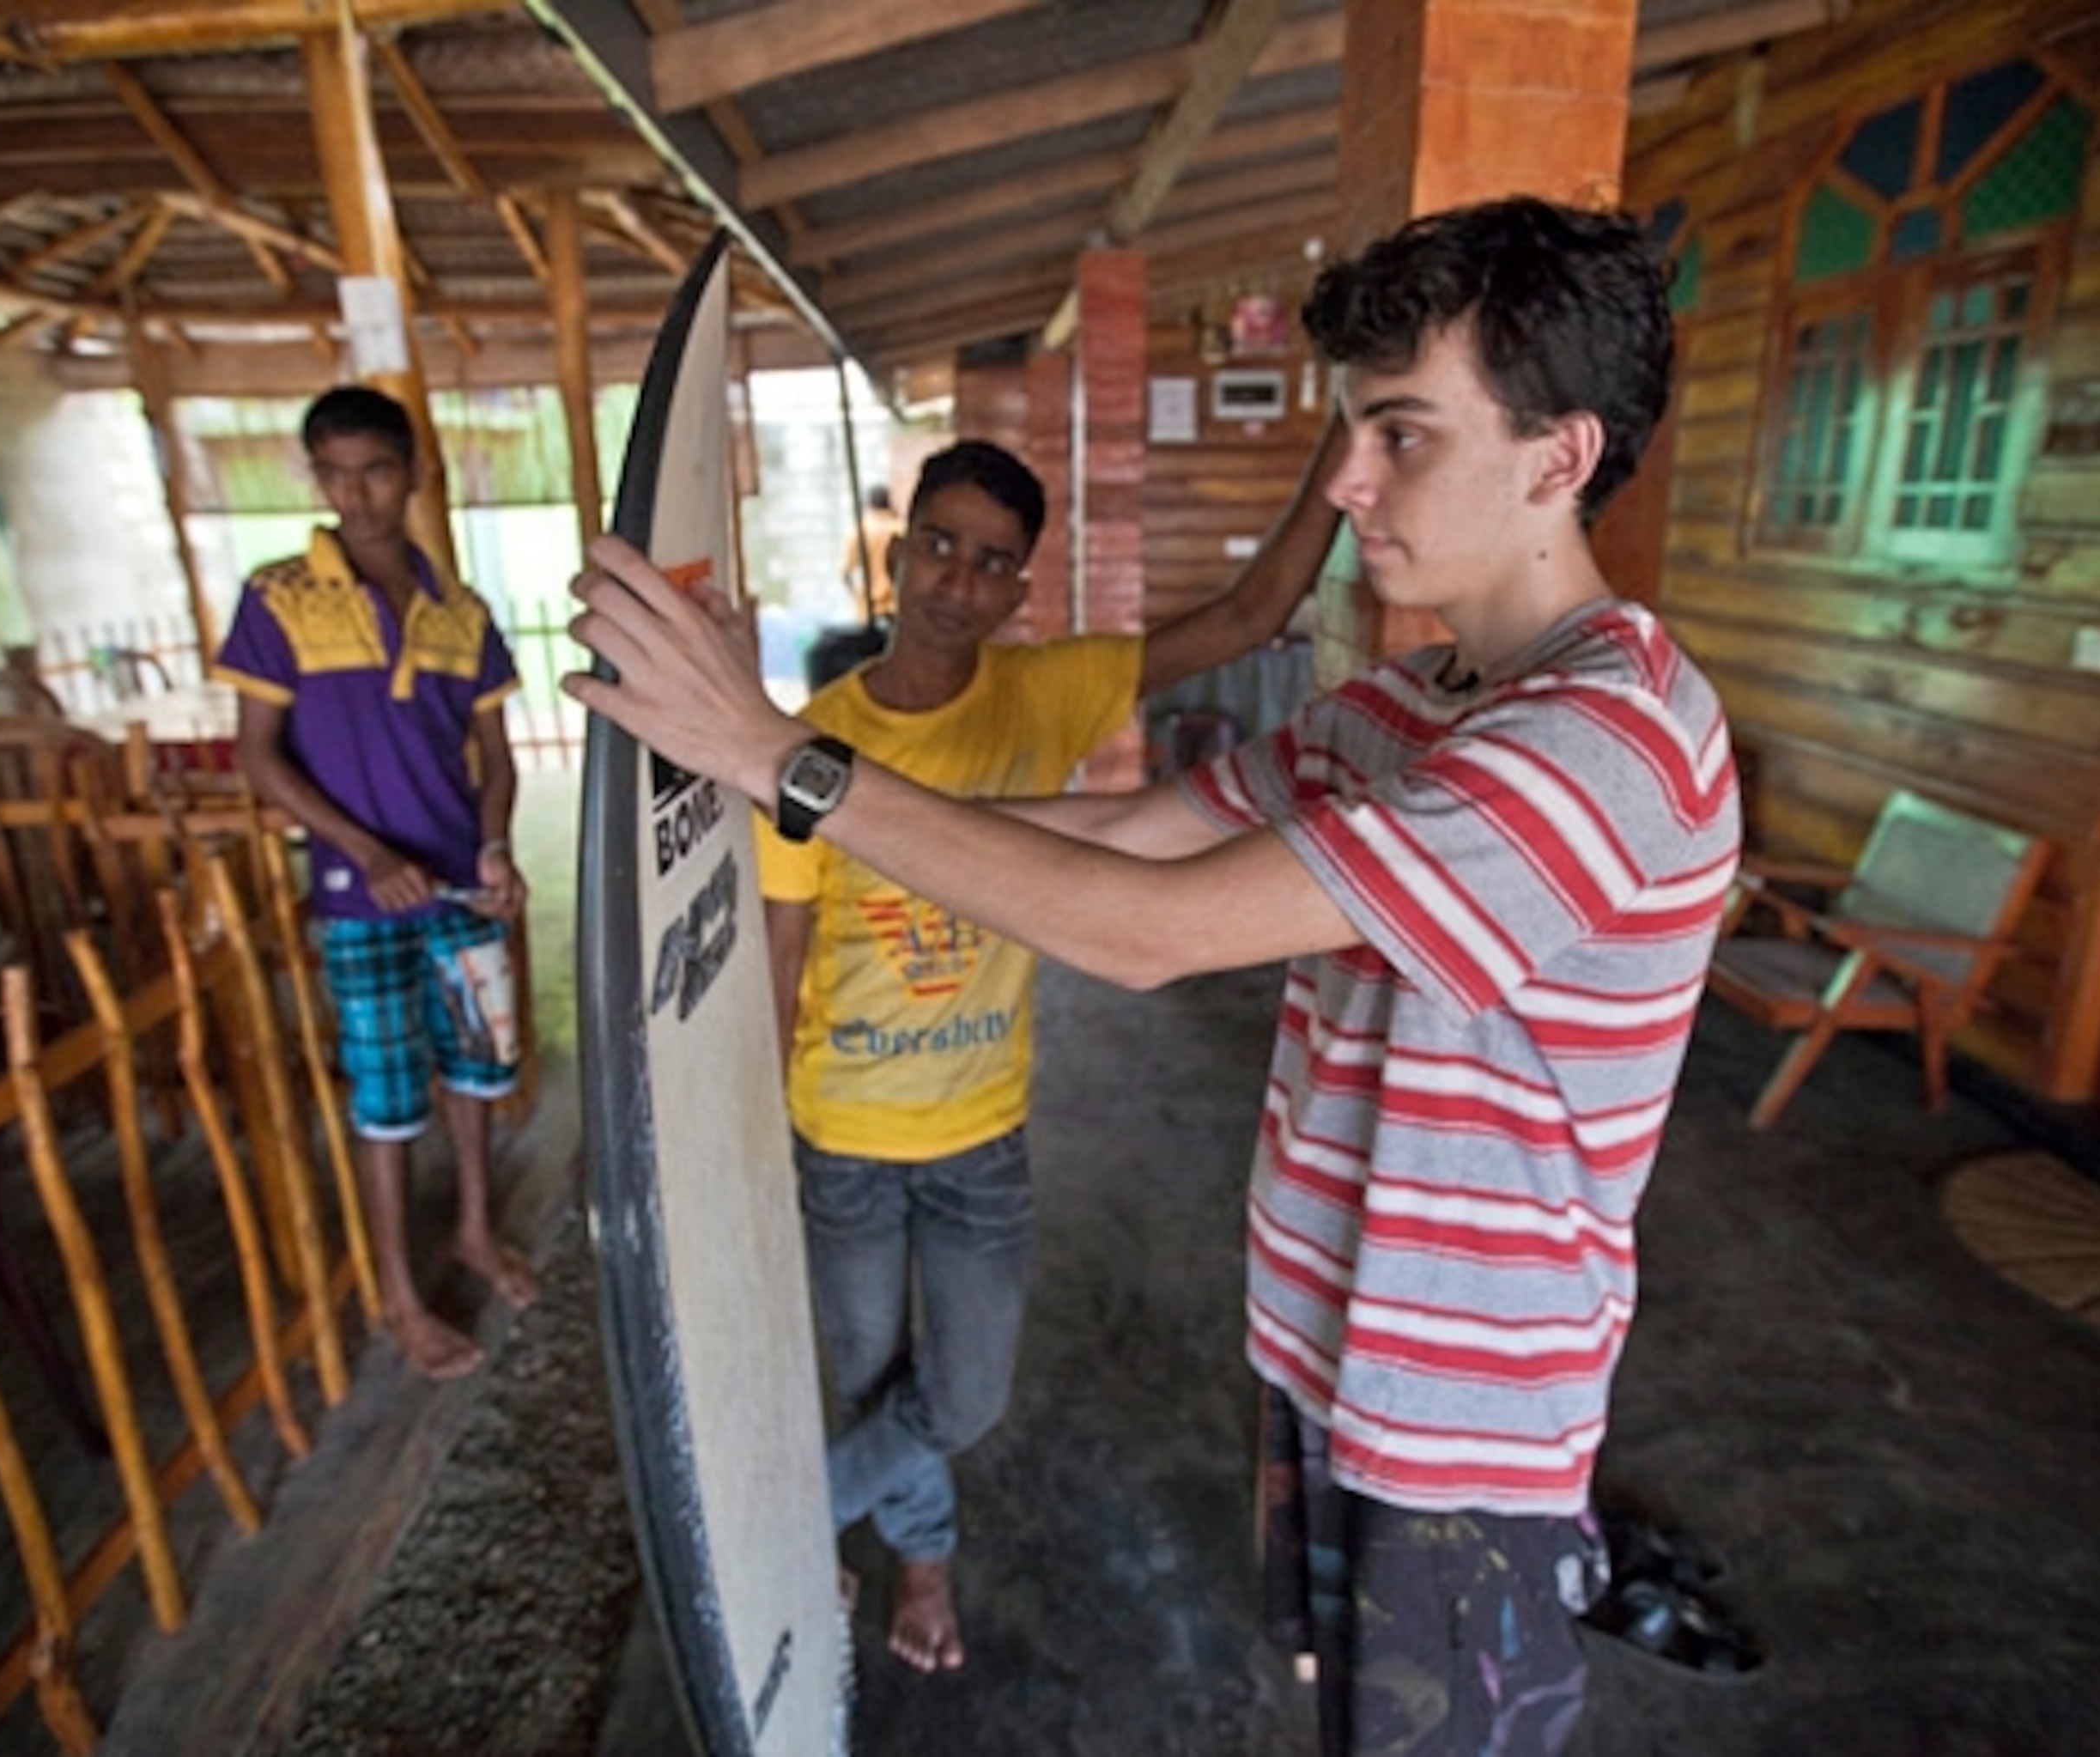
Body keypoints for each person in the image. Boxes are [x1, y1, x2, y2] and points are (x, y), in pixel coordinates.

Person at [569, 196, 1739, 1754]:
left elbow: (1142, 931)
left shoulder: (1603, 738)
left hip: (1460, 1432)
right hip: (1333, 1355)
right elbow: (1121, 831)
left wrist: (779, 754)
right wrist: (767, 785)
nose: (1345, 482)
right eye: (1348, 431)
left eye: (1399, 435)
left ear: (1559, 455)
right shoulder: (1409, 703)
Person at [763, 433, 1344, 1674]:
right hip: (843, 1137)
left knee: (961, 1397)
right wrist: (770, 1128)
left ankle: (785, 1522)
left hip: (980, 1138)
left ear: (1019, 589)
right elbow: (783, 939)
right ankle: (922, 1567)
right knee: (873, 1386)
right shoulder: (811, 743)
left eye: (990, 564)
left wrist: (1347, 429)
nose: (956, 583)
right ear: (899, 549)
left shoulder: (1046, 690)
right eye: (938, 547)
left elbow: (1254, 611)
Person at [216, 385, 537, 1383]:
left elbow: (499, 756)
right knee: (388, 1097)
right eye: (337, 474)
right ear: (316, 478)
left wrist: (493, 849)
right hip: (361, 904)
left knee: (479, 1071)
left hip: (461, 892)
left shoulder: (461, 610)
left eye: (378, 471)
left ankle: (475, 1232)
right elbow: (259, 757)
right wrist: (366, 852)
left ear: (415, 474)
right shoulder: (278, 599)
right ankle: (399, 1294)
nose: (358, 495)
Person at [843, 483, 903, 623]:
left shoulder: (859, 532)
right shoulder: (900, 529)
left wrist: (859, 598)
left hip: (869, 610)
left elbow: (847, 574)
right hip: (896, 608)